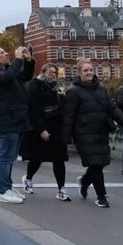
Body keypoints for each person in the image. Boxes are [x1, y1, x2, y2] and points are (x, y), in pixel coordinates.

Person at [63, 59, 123, 208]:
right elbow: (68, 116)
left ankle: (84, 181)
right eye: (86, 70)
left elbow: (113, 109)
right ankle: (101, 196)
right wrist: (65, 138)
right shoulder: (73, 92)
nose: (89, 72)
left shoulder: (101, 89)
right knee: (95, 164)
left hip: (100, 131)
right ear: (79, 73)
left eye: (91, 70)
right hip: (83, 133)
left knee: (100, 163)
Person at [0, 46, 35, 204]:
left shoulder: (7, 70)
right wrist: (18, 59)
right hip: (7, 120)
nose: (6, 53)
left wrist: (28, 60)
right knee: (6, 157)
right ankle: (3, 190)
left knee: (11, 156)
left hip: (17, 118)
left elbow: (25, 76)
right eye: (2, 52)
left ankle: (8, 187)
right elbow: (9, 76)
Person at [21, 64, 71, 202]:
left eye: (55, 72)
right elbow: (33, 110)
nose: (54, 74)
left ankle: (61, 189)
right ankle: (28, 178)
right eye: (51, 72)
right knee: (37, 158)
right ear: (43, 72)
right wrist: (41, 128)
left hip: (56, 127)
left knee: (59, 159)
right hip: (42, 126)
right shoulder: (35, 87)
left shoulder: (56, 88)